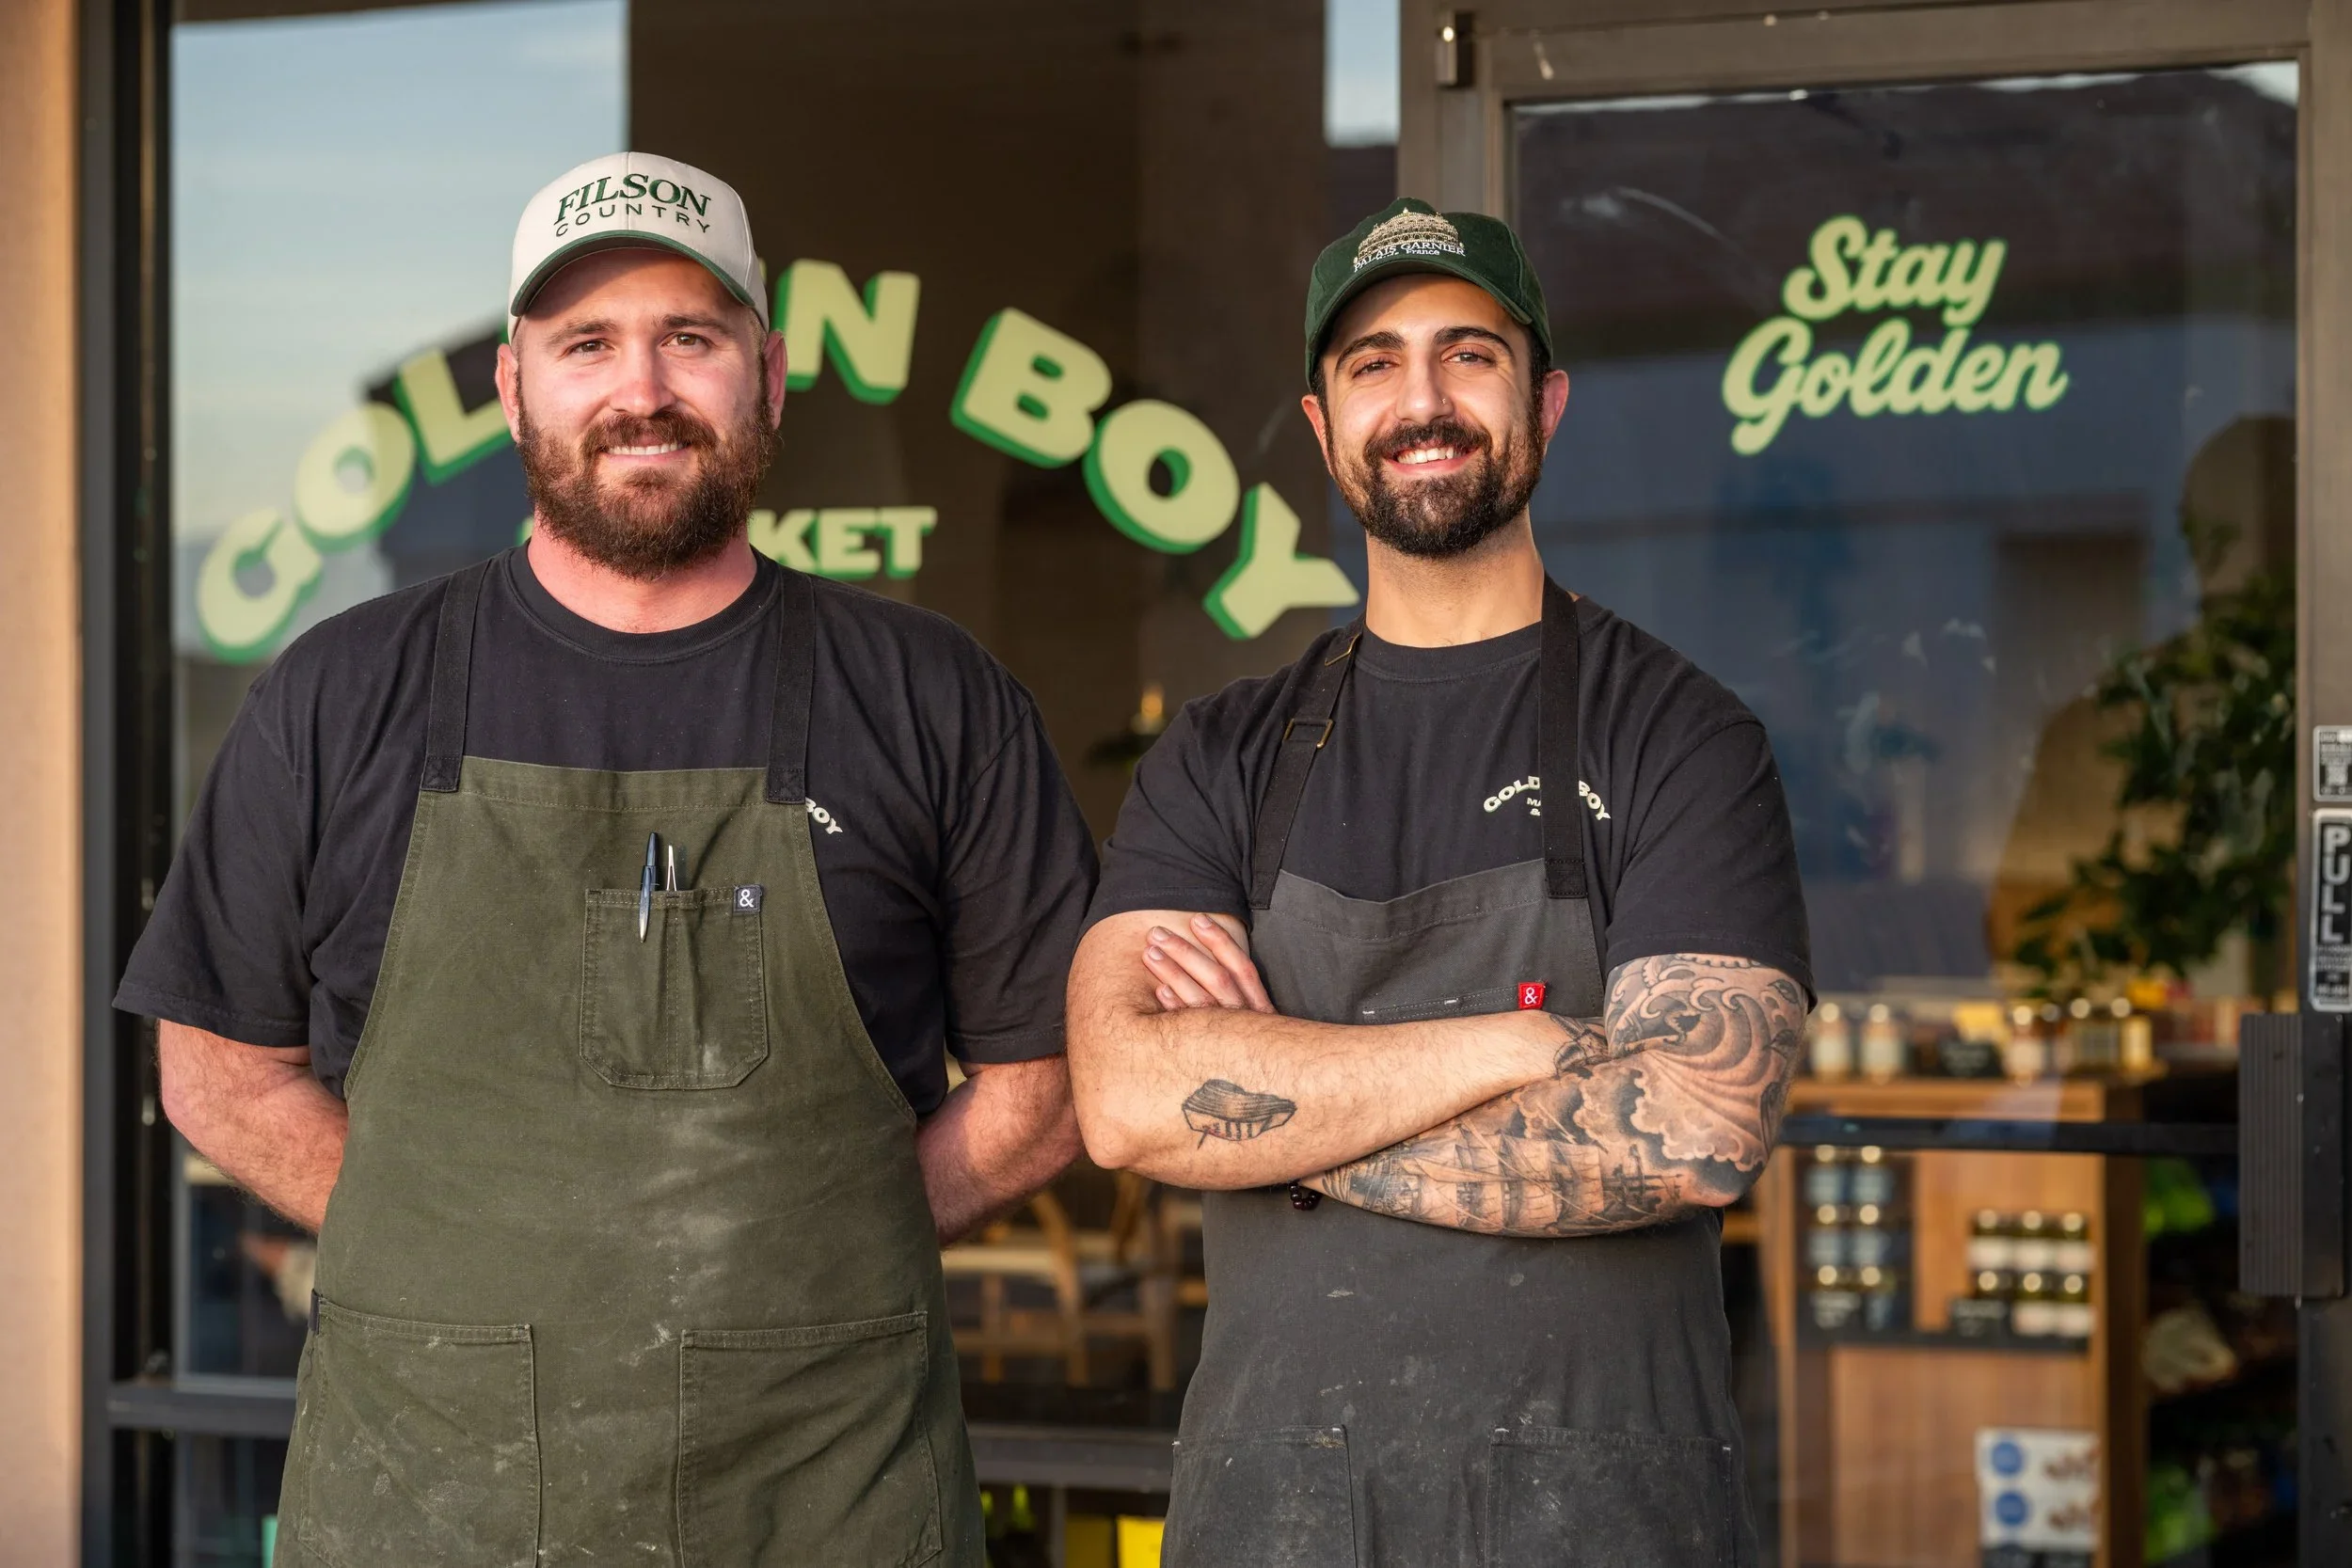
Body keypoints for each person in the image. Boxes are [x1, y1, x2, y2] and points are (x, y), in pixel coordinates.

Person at [117, 151, 1092, 1568]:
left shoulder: (932, 696)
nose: (642, 389)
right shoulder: (339, 694)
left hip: (825, 1488)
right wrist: (462, 1243)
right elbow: (213, 1064)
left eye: (690, 339)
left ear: (766, 375)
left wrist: (804, 1237)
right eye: (587, 344)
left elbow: (1050, 1081)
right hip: (434, 1488)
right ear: (515, 391)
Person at [1067, 198, 1814, 1566]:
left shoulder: (1676, 734)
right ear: (1320, 423)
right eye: (1373, 362)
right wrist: (1510, 1048)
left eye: (1470, 353)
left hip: (1601, 1513)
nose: (1424, 398)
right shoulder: (1225, 753)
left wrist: (1271, 1120)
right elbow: (1122, 1100)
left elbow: (1694, 1125)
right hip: (1274, 1514)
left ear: (1547, 401)